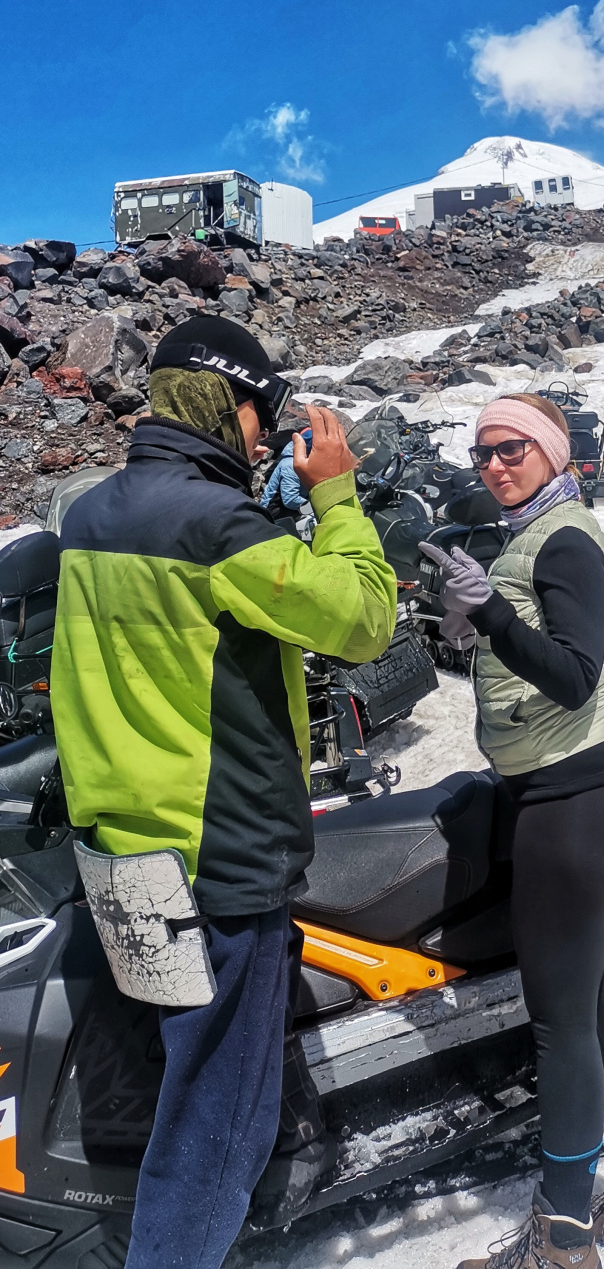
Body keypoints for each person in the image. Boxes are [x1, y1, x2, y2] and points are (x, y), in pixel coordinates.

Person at [50, 316, 396, 1269]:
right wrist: (337, 495)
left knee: (170, 1073)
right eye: (259, 413)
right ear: (224, 401)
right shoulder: (215, 526)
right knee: (216, 1123)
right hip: (217, 869)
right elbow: (363, 619)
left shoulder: (90, 516)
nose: (261, 436)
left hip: (124, 857)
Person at [421, 394, 604, 1269]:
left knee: (561, 1025)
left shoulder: (564, 538)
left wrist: (491, 617)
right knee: (599, 1000)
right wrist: (468, 630)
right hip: (586, 791)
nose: (494, 465)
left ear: (549, 453)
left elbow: (573, 675)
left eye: (511, 450)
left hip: (569, 804)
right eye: (481, 455)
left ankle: (561, 1236)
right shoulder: (534, 535)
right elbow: (531, 655)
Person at [261, 424, 312, 517]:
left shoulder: (296, 461)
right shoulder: (291, 465)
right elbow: (290, 499)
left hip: (285, 511)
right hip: (274, 512)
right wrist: (315, 507)